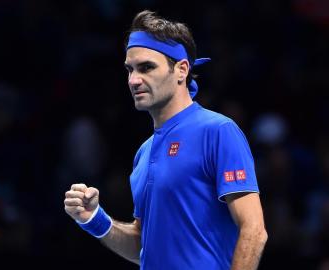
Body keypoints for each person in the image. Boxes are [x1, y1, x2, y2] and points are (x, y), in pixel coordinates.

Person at [64, 10, 268, 270]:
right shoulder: (143, 152)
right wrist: (93, 218)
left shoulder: (218, 131)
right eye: (130, 69)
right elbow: (143, 247)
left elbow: (253, 230)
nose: (134, 80)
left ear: (182, 70)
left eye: (147, 67)